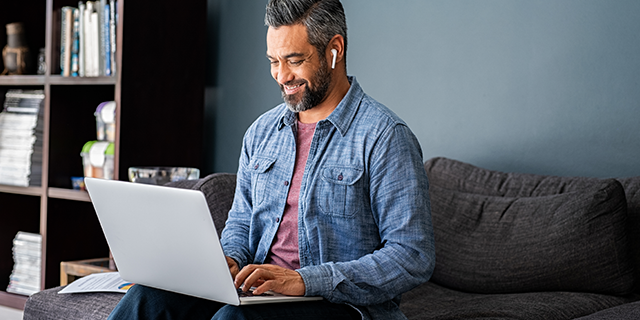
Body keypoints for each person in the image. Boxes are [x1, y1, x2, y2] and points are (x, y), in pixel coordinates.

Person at [107, 0, 435, 319]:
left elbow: (412, 256)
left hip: (341, 305)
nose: (281, 76)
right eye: (273, 61)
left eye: (294, 60)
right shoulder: (262, 132)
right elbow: (241, 221)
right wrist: (231, 259)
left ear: (335, 49)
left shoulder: (385, 136)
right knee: (146, 300)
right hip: (261, 294)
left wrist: (305, 281)